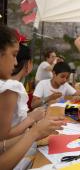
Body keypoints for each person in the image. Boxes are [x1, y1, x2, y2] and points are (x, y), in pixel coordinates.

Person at [0, 25, 65, 170]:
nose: (15, 62)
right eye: (13, 54)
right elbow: (4, 136)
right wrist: (33, 131)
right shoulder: (10, 88)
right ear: (29, 64)